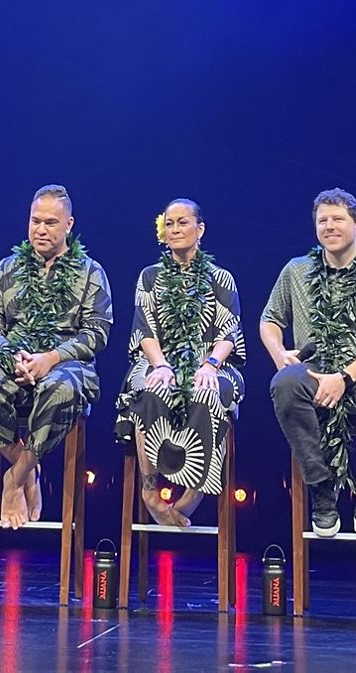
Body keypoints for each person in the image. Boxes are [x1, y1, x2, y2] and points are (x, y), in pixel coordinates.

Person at [262, 188, 356, 536]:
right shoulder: (296, 271)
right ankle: (321, 488)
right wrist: (279, 352)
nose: (329, 226)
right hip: (312, 371)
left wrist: (343, 377)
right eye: (322, 220)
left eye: (338, 219)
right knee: (283, 384)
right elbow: (269, 319)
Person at [0, 185, 113, 530]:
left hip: (66, 364)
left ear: (69, 224)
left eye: (50, 222)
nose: (41, 230)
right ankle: (26, 470)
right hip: (12, 357)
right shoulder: (7, 267)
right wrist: (9, 355)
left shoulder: (90, 271)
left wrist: (52, 357)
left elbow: (97, 332)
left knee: (59, 390)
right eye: (35, 221)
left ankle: (12, 480)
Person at [114, 199, 245, 526]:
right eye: (169, 223)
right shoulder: (150, 277)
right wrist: (160, 365)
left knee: (208, 393)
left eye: (182, 222)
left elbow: (230, 332)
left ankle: (193, 494)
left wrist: (210, 364)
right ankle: (149, 491)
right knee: (149, 388)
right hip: (159, 359)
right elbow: (144, 329)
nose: (174, 229)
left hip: (212, 361)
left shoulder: (221, 278)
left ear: (200, 229)